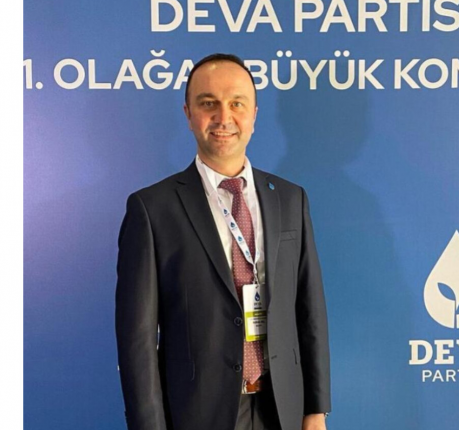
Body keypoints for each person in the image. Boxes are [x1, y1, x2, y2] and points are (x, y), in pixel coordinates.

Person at [115, 53, 331, 430]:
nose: (223, 117)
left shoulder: (290, 199)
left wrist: (315, 410)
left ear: (254, 115)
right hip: (197, 413)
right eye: (208, 103)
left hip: (282, 409)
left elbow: (309, 310)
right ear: (188, 114)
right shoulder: (152, 209)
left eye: (236, 103)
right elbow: (137, 341)